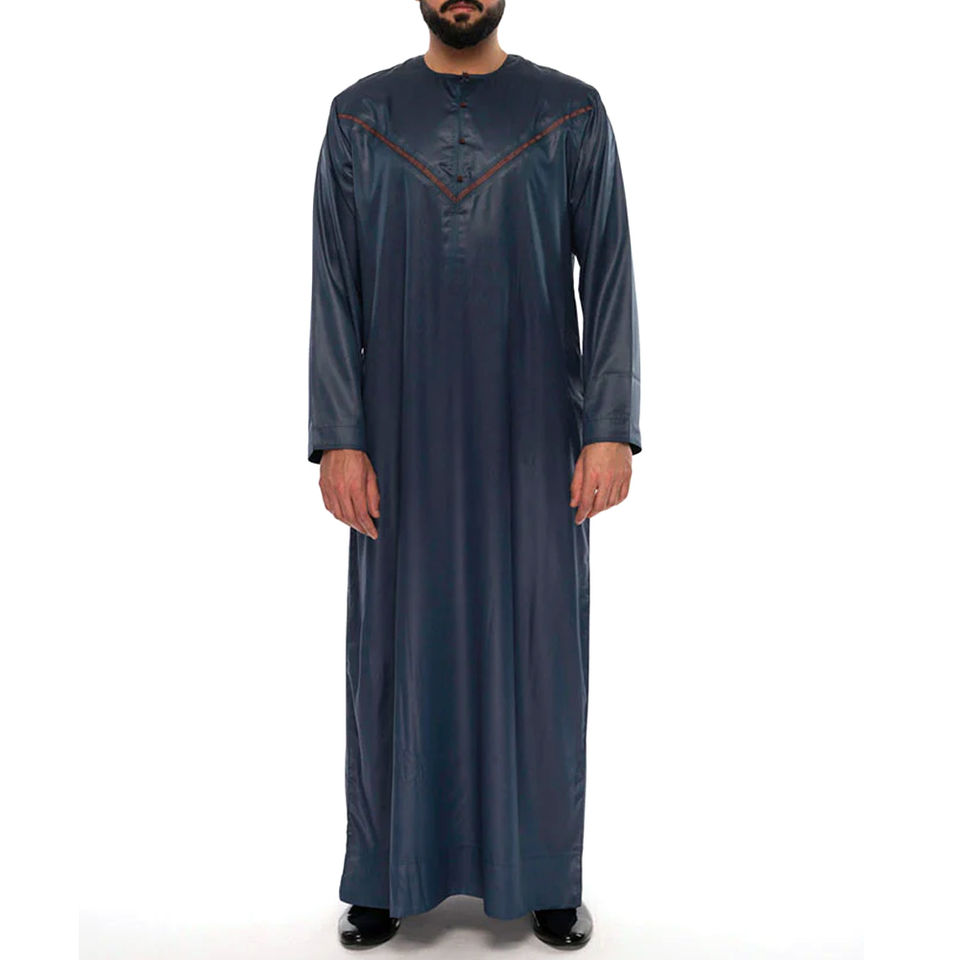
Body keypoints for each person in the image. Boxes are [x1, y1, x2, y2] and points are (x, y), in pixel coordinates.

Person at [308, 0, 641, 949]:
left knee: (539, 648)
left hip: (534, 436)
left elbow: (609, 274)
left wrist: (608, 428)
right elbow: (333, 284)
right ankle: (386, 874)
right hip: (398, 436)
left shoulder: (572, 113)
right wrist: (339, 436)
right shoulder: (359, 117)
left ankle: (544, 875)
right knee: (394, 649)